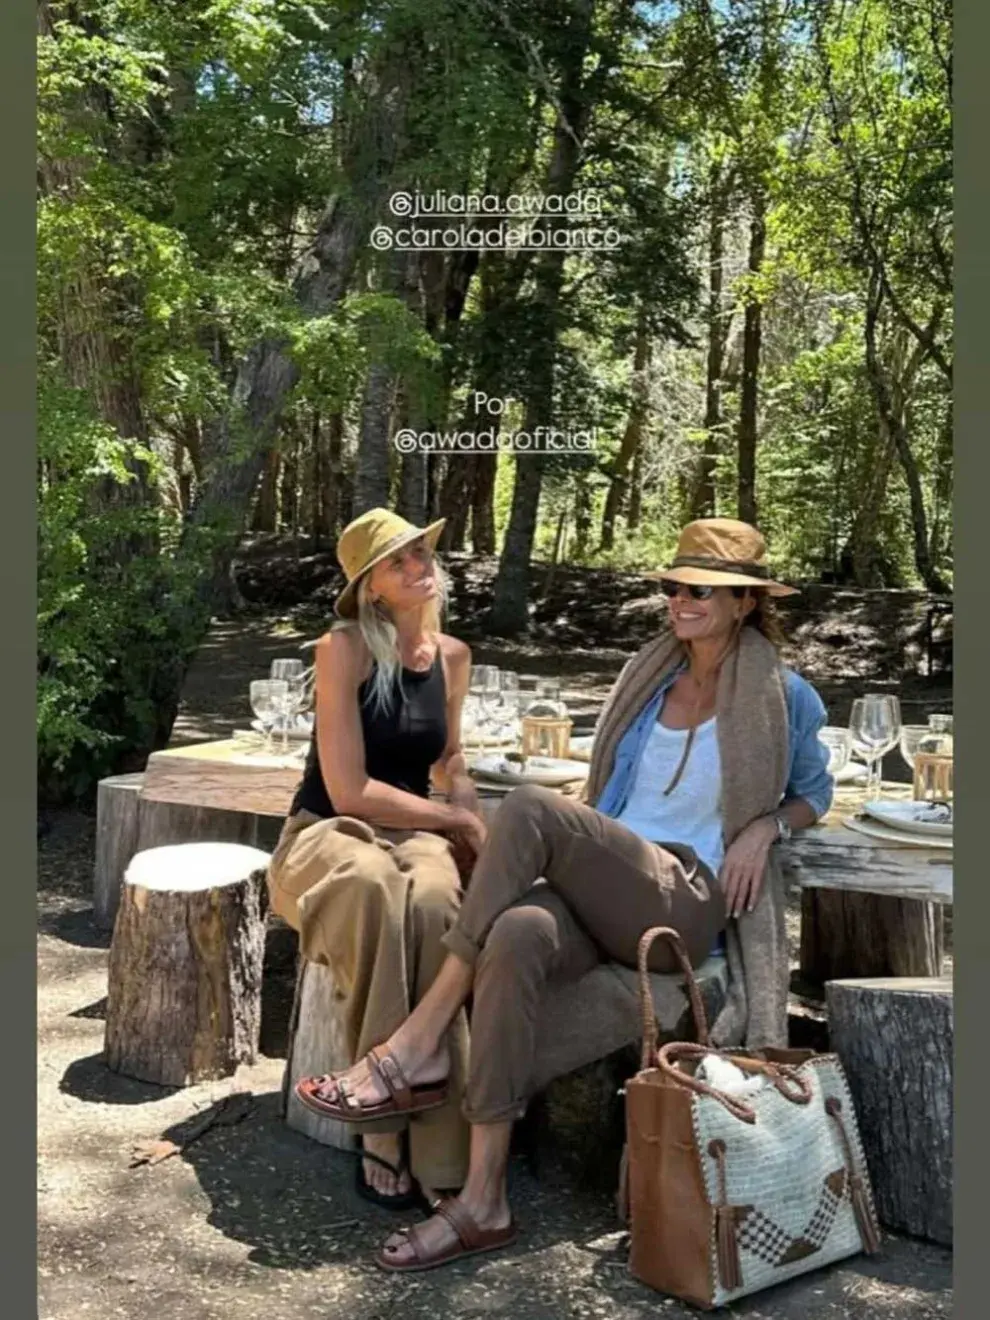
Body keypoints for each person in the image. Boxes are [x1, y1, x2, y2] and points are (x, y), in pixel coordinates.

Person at [296, 517, 834, 1273]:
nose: (681, 600)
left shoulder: (786, 694)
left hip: (687, 892)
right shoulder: (650, 678)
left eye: (702, 590)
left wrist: (764, 829)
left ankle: (418, 1038)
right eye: (674, 586)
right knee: (515, 931)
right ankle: (483, 1198)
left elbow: (815, 793)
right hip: (618, 882)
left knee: (526, 807)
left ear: (744, 603)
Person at [267, 506, 489, 1211]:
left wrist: (473, 819)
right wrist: (452, 814)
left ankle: (437, 1148)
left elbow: (449, 761)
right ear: (370, 588)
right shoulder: (343, 649)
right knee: (371, 888)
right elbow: (348, 791)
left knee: (432, 899)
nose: (421, 565)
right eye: (399, 560)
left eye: (422, 552)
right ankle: (387, 1132)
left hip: (413, 832)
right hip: (324, 834)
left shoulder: (453, 657)